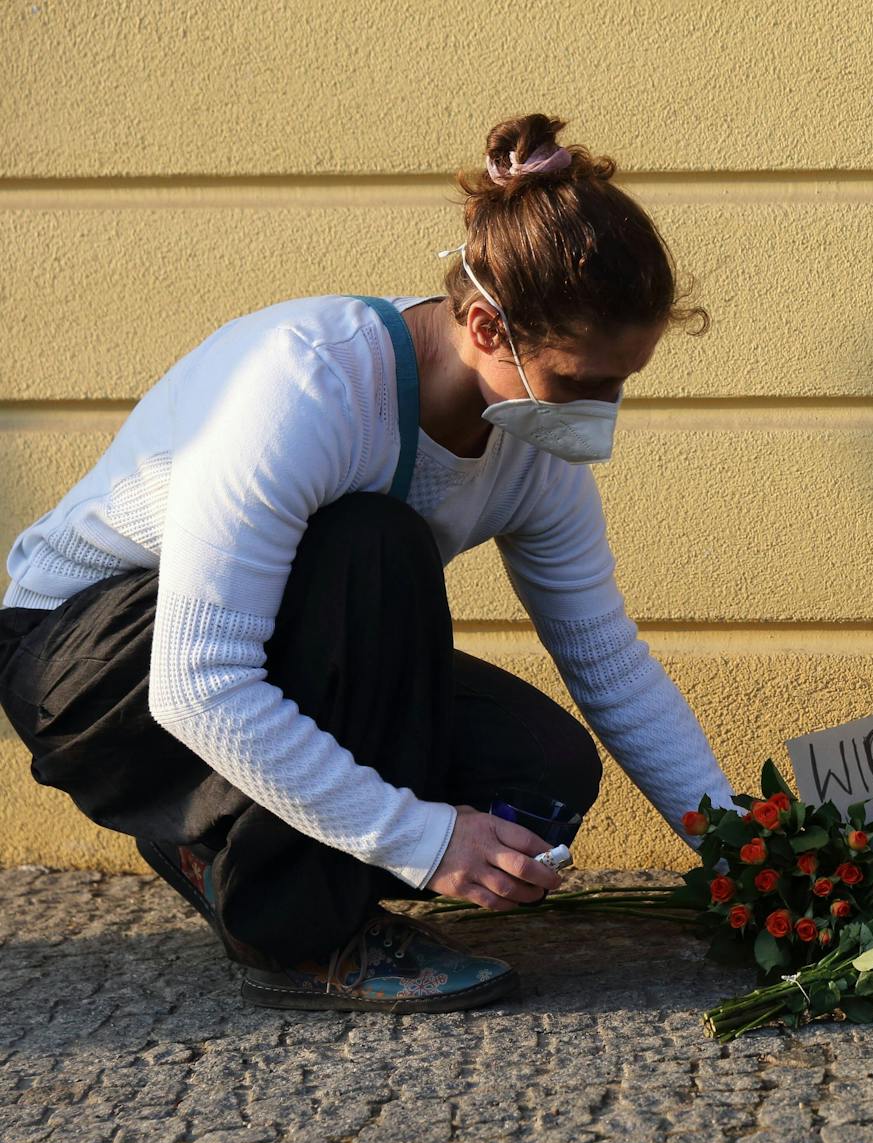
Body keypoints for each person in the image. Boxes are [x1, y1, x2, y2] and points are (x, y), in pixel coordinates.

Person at [0, 114, 734, 1012]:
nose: (604, 410)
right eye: (584, 382)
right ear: (484, 326)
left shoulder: (533, 449)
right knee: (371, 544)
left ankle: (221, 845)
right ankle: (301, 932)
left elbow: (610, 664)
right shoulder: (310, 385)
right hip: (86, 665)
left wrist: (749, 858)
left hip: (225, 657)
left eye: (625, 380)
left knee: (538, 773)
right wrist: (426, 840)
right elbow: (196, 682)